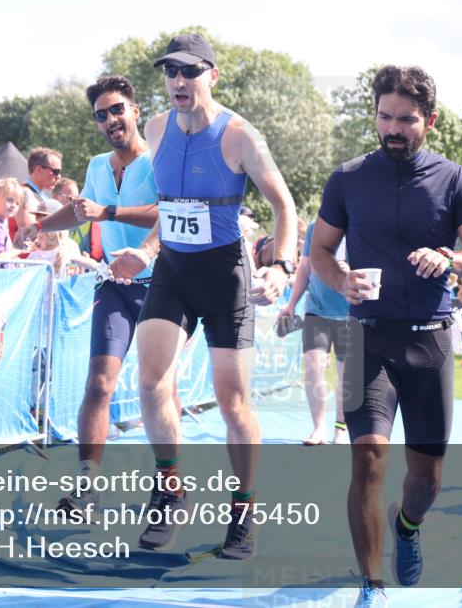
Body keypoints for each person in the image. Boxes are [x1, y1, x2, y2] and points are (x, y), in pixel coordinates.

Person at [310, 65, 462, 606]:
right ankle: (372, 587)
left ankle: (408, 526)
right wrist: (342, 279)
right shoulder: (347, 177)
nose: (393, 128)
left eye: (406, 120)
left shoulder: (454, 178)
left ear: (429, 121)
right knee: (367, 457)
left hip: (432, 343)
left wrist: (450, 258)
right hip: (367, 338)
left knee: (426, 481)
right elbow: (318, 251)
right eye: (385, 116)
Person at [127, 33, 297, 560]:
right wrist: (147, 247)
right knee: (151, 381)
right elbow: (167, 204)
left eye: (190, 72)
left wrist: (282, 267)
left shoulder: (240, 135)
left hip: (225, 276)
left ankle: (243, 509)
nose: (179, 81)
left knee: (233, 401)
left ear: (211, 75)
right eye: (170, 72)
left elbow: (286, 208)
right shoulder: (154, 128)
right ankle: (170, 486)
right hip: (174, 271)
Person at [14, 75, 161, 512]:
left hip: (163, 288)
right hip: (115, 287)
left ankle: (170, 487)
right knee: (98, 384)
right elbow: (81, 213)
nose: (111, 120)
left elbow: (166, 215)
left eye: (118, 110)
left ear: (135, 111)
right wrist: (38, 226)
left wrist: (109, 212)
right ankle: (86, 487)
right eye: (101, 115)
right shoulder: (98, 165)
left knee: (157, 391)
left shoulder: (159, 160)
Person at [277, 218, 350, 445]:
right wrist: (290, 304)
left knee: (346, 376)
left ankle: (341, 429)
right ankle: (318, 429)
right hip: (316, 311)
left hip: (351, 314)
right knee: (313, 367)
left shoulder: (362, 224)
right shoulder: (314, 228)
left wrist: (351, 270)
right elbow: (305, 267)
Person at [14, 147, 63, 233]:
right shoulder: (24, 193)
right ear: (39, 169)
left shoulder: (39, 196)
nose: (59, 176)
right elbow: (28, 233)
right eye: (56, 171)